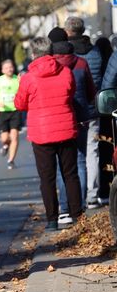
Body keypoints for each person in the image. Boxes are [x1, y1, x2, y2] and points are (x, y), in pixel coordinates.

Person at [14, 36, 82, 230]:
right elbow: (70, 93)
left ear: (34, 54)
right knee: (70, 174)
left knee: (47, 178)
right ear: (50, 52)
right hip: (66, 128)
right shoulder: (67, 72)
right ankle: (78, 215)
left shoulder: (28, 78)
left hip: (41, 133)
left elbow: (20, 104)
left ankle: (52, 220)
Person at [48, 27, 95, 224]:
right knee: (81, 162)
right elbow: (91, 91)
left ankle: (65, 209)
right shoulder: (82, 63)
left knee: (62, 166)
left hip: (58, 117)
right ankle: (80, 206)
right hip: (81, 117)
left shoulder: (51, 65)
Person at [65, 17, 104, 209]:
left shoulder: (67, 55)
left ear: (68, 30)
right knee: (92, 151)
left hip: (73, 108)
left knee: (75, 154)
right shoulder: (95, 51)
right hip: (93, 107)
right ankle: (92, 193)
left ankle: (76, 196)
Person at [0, 59, 20, 169]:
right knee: (5, 138)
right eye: (6, 68)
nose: (9, 69)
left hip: (15, 111)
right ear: (2, 70)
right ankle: (5, 145)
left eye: (11, 67)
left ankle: (11, 160)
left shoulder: (17, 80)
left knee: (14, 136)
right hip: (3, 112)